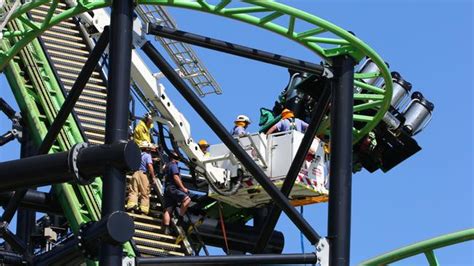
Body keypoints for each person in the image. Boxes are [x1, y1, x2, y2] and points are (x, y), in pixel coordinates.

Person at [162, 152, 191, 235]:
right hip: (173, 188)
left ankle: (166, 228)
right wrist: (183, 188)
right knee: (187, 199)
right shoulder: (174, 165)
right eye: (178, 157)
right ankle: (180, 218)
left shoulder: (167, 166)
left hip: (167, 189)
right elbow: (176, 177)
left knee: (168, 209)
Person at [126, 141, 157, 215]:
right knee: (144, 193)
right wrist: (153, 177)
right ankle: (143, 210)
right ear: (147, 149)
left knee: (133, 191)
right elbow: (149, 166)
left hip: (135, 173)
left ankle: (131, 207)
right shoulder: (148, 155)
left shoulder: (138, 155)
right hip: (143, 175)